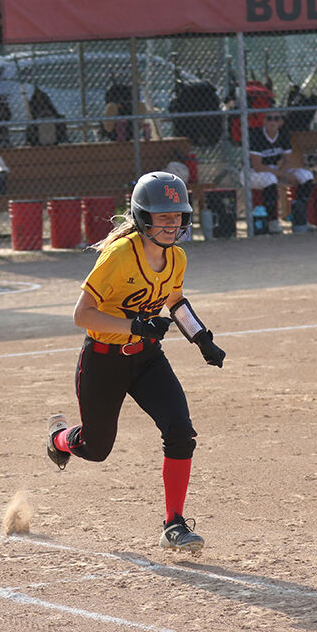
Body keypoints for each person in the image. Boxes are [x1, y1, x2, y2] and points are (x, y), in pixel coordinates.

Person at [45, 171, 226, 555]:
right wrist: (134, 325)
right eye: (162, 217)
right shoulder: (119, 256)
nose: (171, 224)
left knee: (180, 431)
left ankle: (174, 524)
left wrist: (202, 339)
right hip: (103, 360)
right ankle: (59, 438)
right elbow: (82, 315)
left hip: (146, 359)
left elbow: (175, 300)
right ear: (142, 218)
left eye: (177, 216)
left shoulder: (176, 257)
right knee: (95, 448)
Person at [246, 109, 317, 234]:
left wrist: (282, 173)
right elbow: (257, 166)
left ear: (281, 122)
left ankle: (299, 217)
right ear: (263, 121)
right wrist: (283, 175)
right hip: (251, 173)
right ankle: (272, 221)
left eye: (276, 119)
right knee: (270, 178)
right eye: (269, 118)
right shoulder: (256, 135)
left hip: (275, 170)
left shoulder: (283, 134)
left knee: (306, 175)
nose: (272, 122)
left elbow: (287, 161)